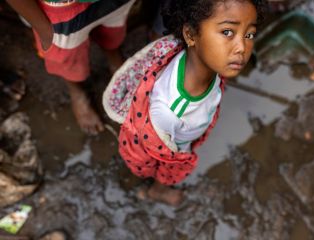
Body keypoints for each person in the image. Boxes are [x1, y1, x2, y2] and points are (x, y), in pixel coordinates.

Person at [103, 0, 265, 206]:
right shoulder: (172, 111)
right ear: (190, 35)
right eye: (227, 32)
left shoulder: (207, 61)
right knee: (169, 169)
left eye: (249, 34)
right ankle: (158, 190)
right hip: (170, 147)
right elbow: (164, 153)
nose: (242, 47)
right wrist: (182, 154)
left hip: (184, 129)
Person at [6, 0, 136, 135]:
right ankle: (76, 90)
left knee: (114, 29)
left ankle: (114, 57)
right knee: (67, 57)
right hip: (61, 10)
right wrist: (44, 28)